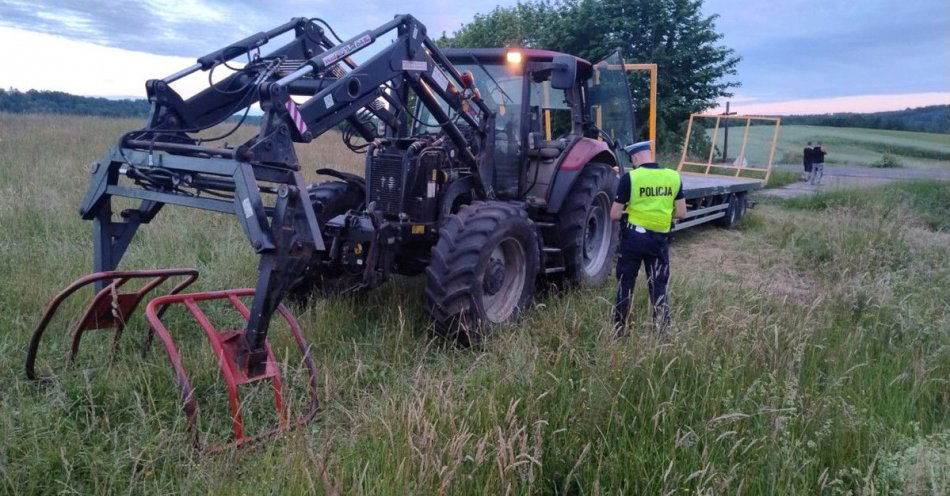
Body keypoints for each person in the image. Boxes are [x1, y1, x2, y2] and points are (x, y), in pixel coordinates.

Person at [610, 140, 687, 335]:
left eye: (632, 160)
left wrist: (630, 212)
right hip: (659, 241)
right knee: (658, 285)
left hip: (633, 240)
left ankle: (619, 329)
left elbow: (614, 215)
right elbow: (681, 213)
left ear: (635, 157)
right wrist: (660, 215)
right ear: (650, 154)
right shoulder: (673, 177)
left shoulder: (631, 178)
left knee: (625, 284)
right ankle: (662, 332)